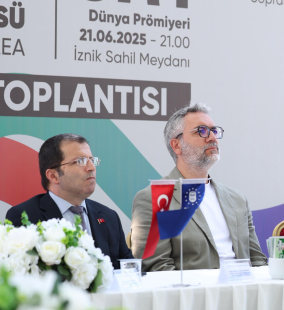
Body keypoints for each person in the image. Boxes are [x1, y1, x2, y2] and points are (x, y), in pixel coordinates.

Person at [131, 104, 266, 271]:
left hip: (243, 286)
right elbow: (156, 267)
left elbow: (257, 260)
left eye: (214, 131)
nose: (212, 138)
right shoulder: (156, 198)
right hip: (193, 288)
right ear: (177, 145)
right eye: (201, 131)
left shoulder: (237, 199)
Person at [5, 133, 133, 267]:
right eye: (80, 161)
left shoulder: (109, 216)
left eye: (91, 160)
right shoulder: (25, 216)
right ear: (53, 176)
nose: (91, 168)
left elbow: (129, 269)